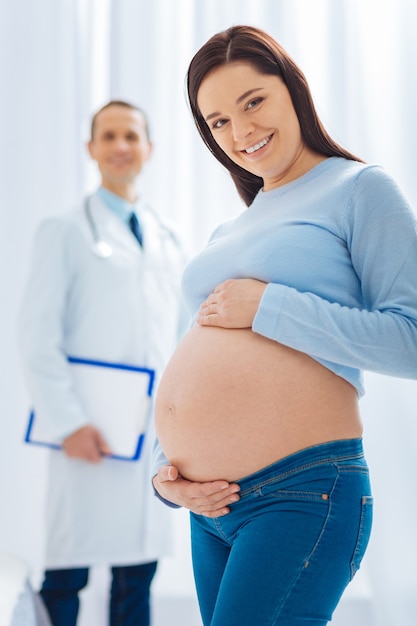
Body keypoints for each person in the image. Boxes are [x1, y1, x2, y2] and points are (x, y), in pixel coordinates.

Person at [151, 25, 417, 626]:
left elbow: (411, 340)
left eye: (253, 102)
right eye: (218, 122)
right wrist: (167, 471)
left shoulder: (360, 189)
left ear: (293, 90)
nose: (241, 132)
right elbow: (190, 352)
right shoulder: (232, 229)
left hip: (303, 492)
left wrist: (271, 308)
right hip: (209, 506)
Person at [18, 100, 186, 626]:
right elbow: (36, 335)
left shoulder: (169, 239)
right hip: (85, 429)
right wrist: (68, 422)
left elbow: (179, 339)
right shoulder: (64, 230)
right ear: (91, 150)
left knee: (138, 572)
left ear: (149, 150)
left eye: (131, 136)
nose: (120, 146)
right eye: (108, 136)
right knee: (68, 572)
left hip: (150, 431)